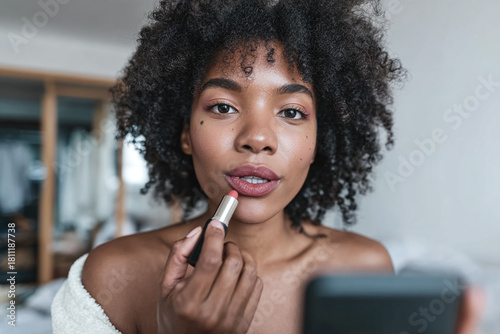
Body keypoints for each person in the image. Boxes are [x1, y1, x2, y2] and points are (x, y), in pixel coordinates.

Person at [51, 0, 485, 333]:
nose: (257, 138)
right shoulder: (112, 276)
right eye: (222, 106)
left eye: (292, 112)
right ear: (184, 133)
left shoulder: (364, 266)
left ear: (319, 143)